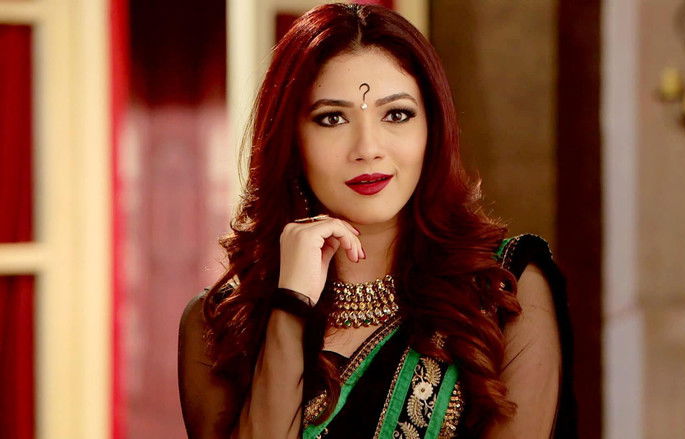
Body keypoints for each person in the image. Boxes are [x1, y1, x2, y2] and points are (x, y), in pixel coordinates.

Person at [177, 3, 576, 438]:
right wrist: (290, 305)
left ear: (433, 129)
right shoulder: (221, 325)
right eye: (332, 118)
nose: (368, 148)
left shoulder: (503, 289)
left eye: (397, 114)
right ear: (291, 139)